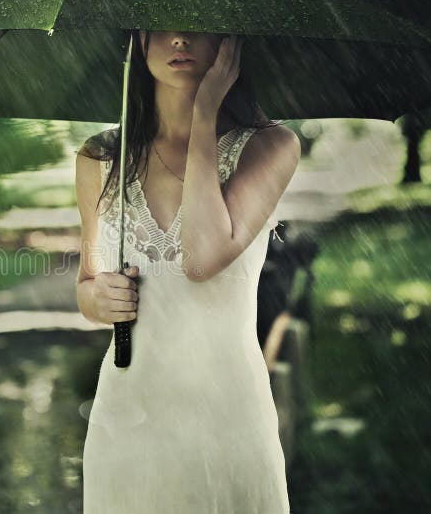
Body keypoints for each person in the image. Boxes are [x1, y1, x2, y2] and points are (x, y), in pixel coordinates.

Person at [75, 30, 300, 513]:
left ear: (231, 41)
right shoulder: (100, 159)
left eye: (198, 23)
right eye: (164, 21)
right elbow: (87, 286)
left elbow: (201, 258)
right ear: (139, 38)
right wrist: (100, 300)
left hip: (227, 417)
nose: (179, 36)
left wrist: (204, 113)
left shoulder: (271, 146)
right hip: (127, 420)